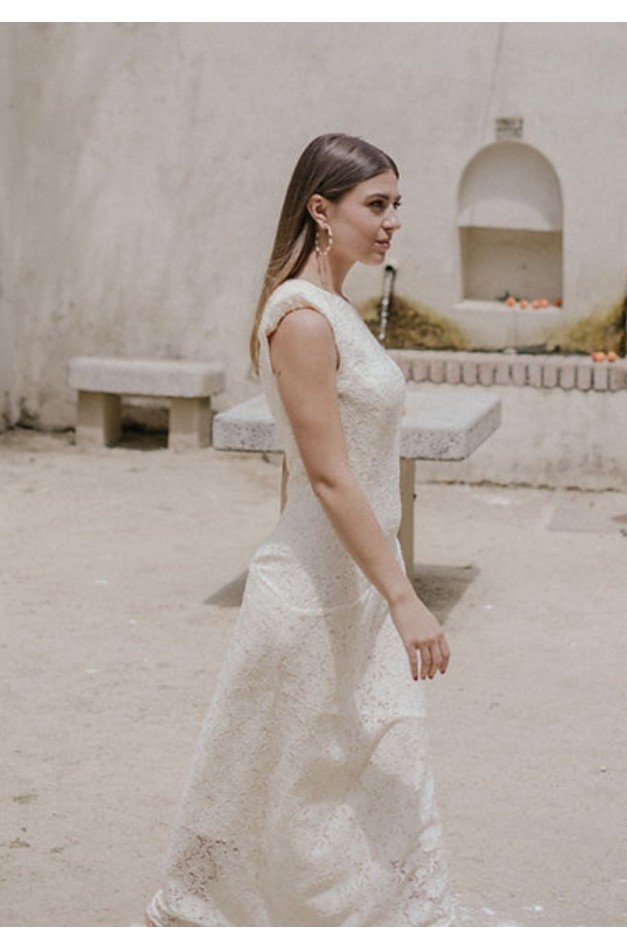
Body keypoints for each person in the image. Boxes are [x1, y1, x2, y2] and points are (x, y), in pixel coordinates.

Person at [146, 133, 461, 926]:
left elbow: (306, 472)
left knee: (343, 777)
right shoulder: (303, 319)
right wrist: (405, 597)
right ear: (322, 209)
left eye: (397, 206)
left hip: (345, 582)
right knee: (279, 784)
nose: (392, 223)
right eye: (375, 205)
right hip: (318, 591)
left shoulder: (331, 310)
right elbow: (324, 476)